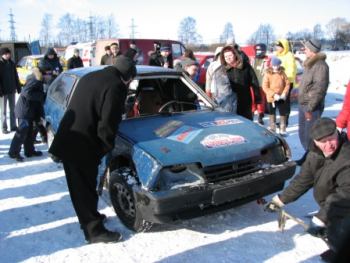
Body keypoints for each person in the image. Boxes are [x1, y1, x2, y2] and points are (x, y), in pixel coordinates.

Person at [48, 55, 136, 244]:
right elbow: (107, 124)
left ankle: (92, 217)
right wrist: (103, 148)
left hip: (70, 138)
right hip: (82, 144)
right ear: (128, 77)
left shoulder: (92, 76)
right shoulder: (116, 86)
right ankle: (93, 231)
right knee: (83, 188)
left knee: (81, 186)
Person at [265, 117, 350, 262]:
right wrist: (280, 199)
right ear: (315, 142)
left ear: (338, 133)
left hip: (345, 206)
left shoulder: (346, 158)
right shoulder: (315, 154)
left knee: (342, 230)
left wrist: (322, 217)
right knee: (333, 230)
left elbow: (345, 194)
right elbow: (303, 180)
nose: (329, 145)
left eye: (332, 139)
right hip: (332, 206)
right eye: (323, 142)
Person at [297, 39, 329, 165]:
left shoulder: (320, 66)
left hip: (311, 107)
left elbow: (319, 89)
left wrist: (310, 108)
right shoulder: (310, 64)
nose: (304, 50)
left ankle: (314, 162)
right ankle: (308, 157)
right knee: (303, 134)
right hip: (303, 105)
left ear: (312, 50)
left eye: (306, 48)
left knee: (310, 136)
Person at [8, 68, 45, 161]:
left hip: (30, 111)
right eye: (48, 73)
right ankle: (13, 152)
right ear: (43, 74)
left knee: (30, 132)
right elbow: (26, 92)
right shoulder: (35, 80)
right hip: (24, 111)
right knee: (22, 132)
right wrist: (42, 95)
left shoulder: (39, 81)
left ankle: (29, 151)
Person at [220, 45, 261, 120]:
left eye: (230, 55)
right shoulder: (222, 70)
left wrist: (257, 98)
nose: (228, 58)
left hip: (244, 100)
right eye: (225, 57)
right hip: (229, 101)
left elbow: (254, 82)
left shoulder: (245, 66)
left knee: (246, 121)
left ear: (235, 55)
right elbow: (219, 86)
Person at [262, 56, 290, 135]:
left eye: (277, 65)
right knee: (272, 112)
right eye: (274, 65)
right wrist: (273, 94)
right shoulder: (268, 74)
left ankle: (283, 129)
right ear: (271, 65)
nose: (276, 67)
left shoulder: (282, 73)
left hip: (281, 97)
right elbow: (265, 86)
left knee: (282, 113)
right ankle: (272, 128)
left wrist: (284, 93)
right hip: (272, 98)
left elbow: (287, 84)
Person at [275, 39, 297, 126]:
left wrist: (284, 78)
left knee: (285, 102)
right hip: (279, 82)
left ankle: (285, 121)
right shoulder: (277, 55)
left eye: (278, 46)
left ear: (283, 47)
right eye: (276, 46)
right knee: (280, 102)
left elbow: (292, 70)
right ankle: (281, 119)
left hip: (287, 82)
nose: (277, 48)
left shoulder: (289, 55)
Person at [0, 47, 21, 134]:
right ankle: (4, 127)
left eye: (9, 54)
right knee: (4, 111)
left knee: (13, 109)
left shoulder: (12, 63)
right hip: (3, 92)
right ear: (2, 55)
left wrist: (18, 87)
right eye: (6, 54)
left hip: (12, 90)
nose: (8, 55)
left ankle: (13, 126)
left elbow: (15, 76)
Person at [251, 43, 268, 125]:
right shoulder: (253, 59)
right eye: (257, 50)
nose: (258, 52)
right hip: (253, 83)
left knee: (261, 101)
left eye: (260, 50)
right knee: (252, 100)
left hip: (262, 84)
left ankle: (260, 116)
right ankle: (252, 114)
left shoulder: (267, 60)